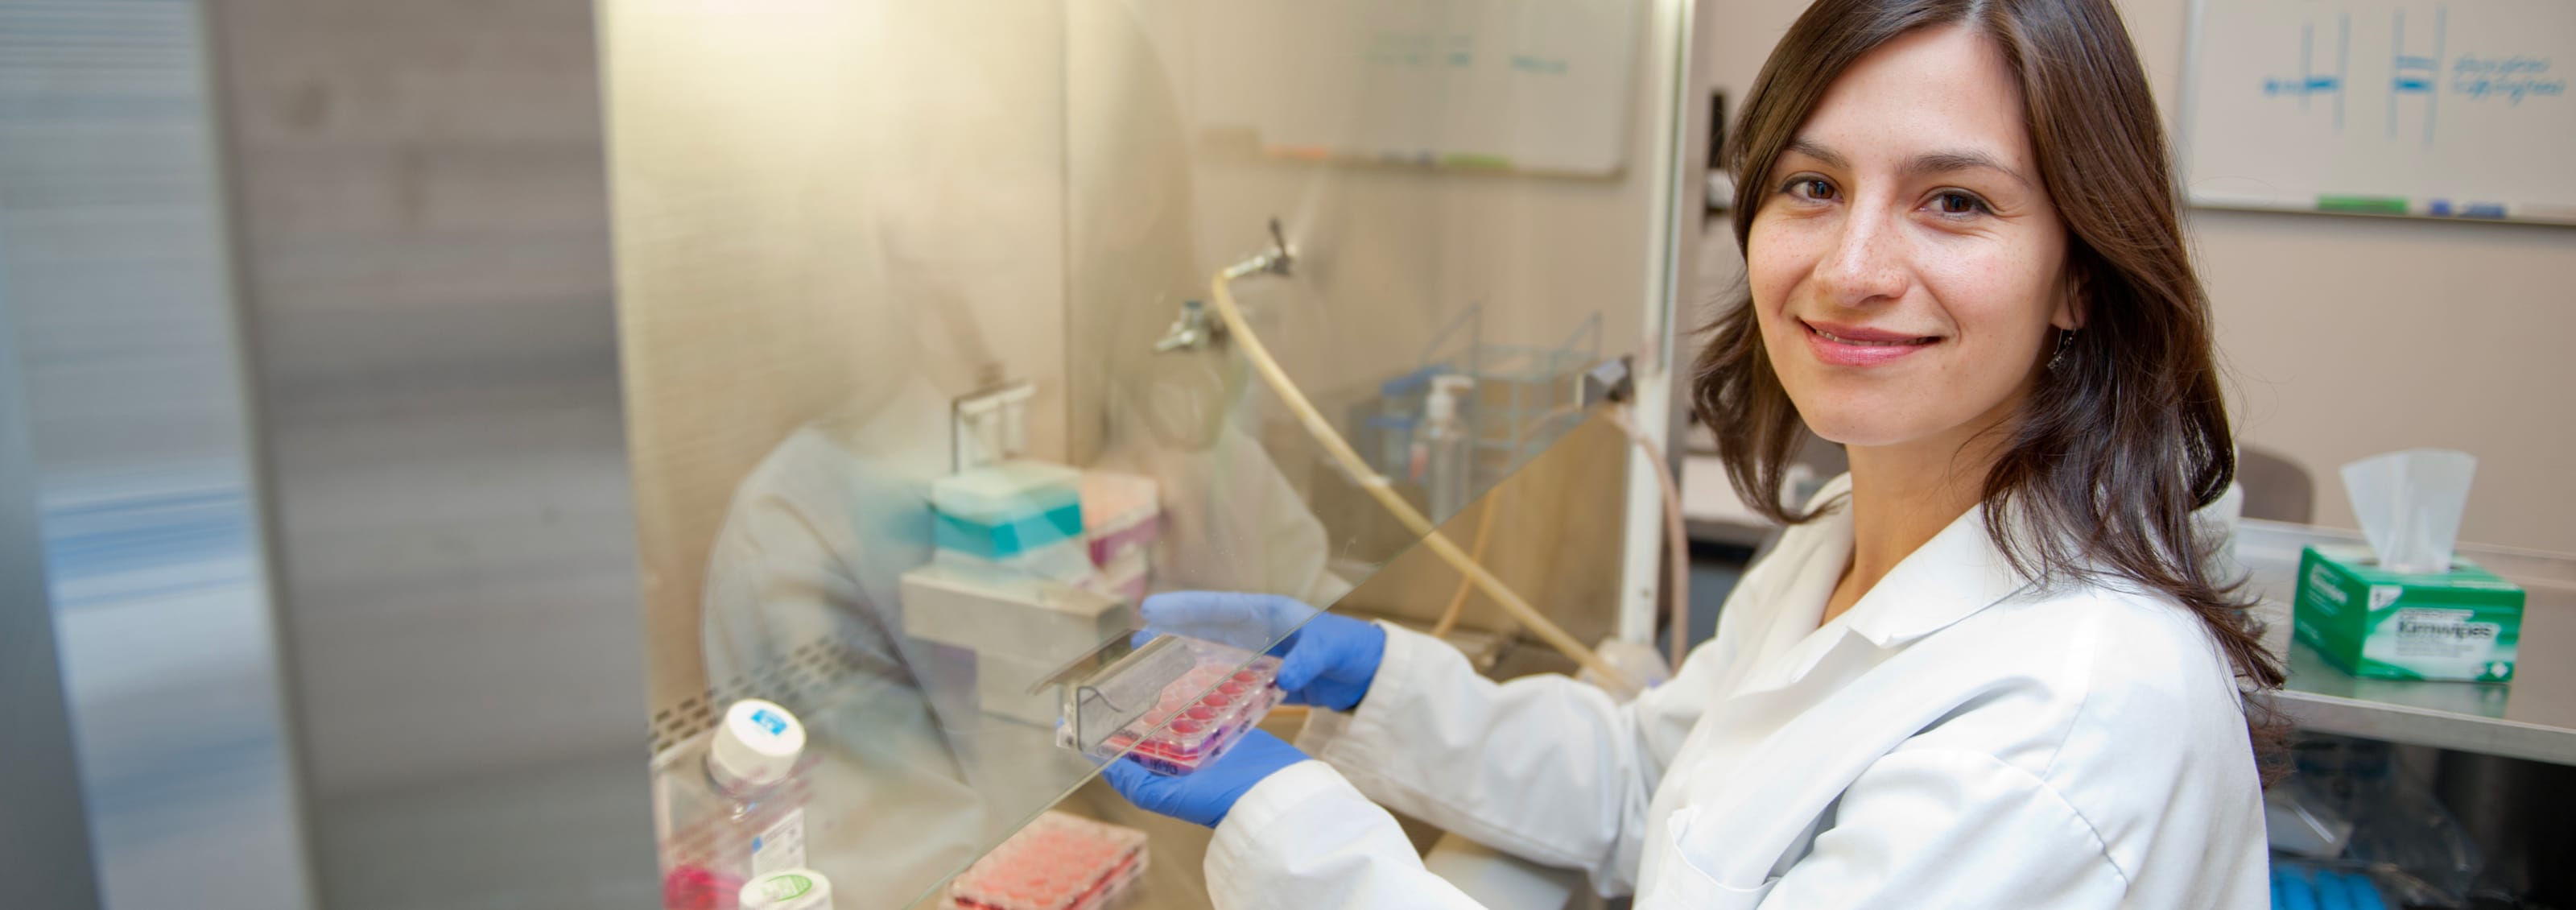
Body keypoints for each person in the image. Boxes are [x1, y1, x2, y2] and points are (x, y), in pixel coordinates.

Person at [1103, 0, 2285, 907]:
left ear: (2081, 270)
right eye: (1813, 185)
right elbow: (1657, 781)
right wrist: (1376, 680)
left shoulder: (2068, 727)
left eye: (1956, 202)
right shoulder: (1845, 540)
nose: (1853, 267)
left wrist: (1291, 825)